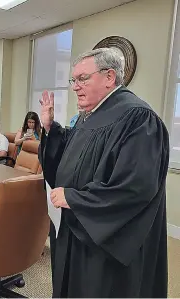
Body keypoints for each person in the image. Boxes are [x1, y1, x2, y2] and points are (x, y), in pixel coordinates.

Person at [39, 48, 169, 297]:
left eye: (82, 78)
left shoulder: (138, 118)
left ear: (109, 77)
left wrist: (75, 199)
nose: (75, 86)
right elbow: (73, 154)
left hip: (105, 237)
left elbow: (135, 186)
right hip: (76, 225)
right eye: (73, 80)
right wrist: (50, 128)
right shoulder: (91, 116)